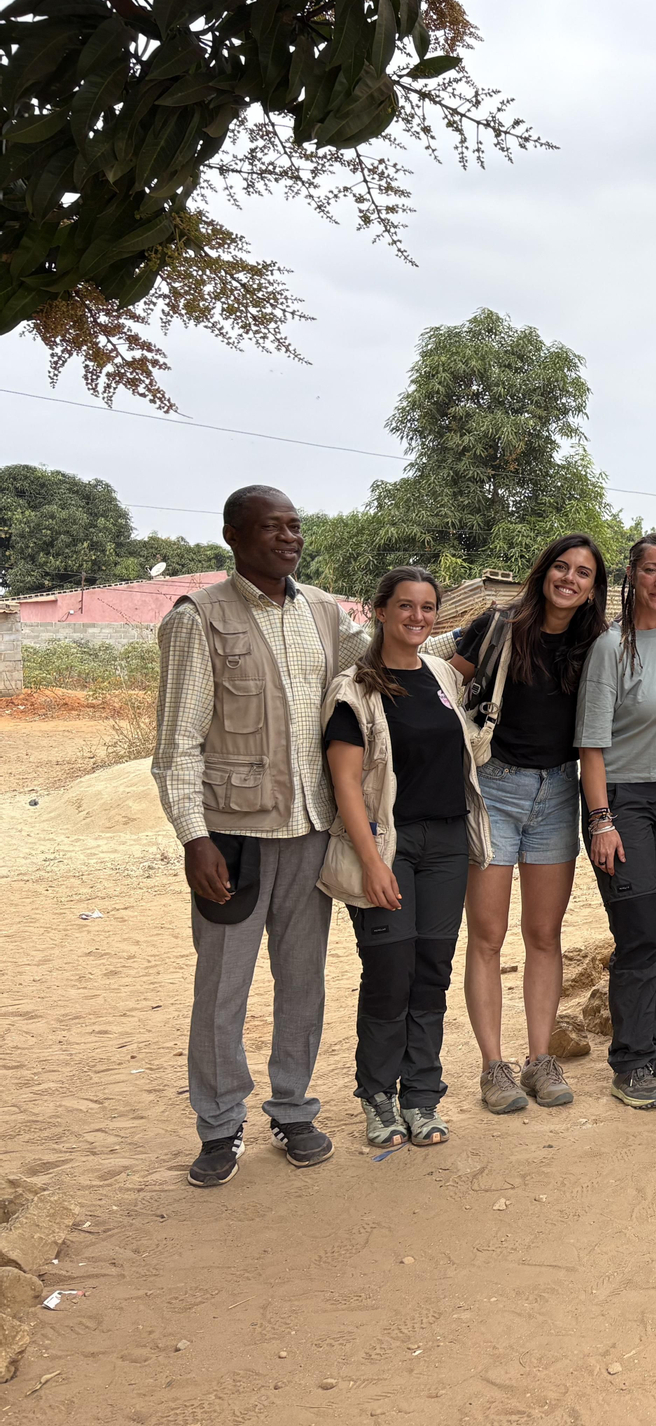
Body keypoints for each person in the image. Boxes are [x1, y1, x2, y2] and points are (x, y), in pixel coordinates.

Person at [154, 485, 370, 1186]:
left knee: (303, 982)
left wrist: (495, 627)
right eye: (271, 526)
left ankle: (294, 1108)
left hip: (310, 830)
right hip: (234, 838)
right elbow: (179, 743)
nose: (288, 537)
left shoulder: (322, 612)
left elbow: (390, 654)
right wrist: (194, 837)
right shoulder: (199, 618)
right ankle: (219, 1126)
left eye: (295, 526)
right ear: (233, 535)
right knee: (222, 989)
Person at [320, 568, 490, 1149]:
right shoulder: (355, 689)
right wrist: (371, 863)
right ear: (380, 612)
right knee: (389, 975)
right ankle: (376, 1097)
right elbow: (345, 783)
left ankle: (421, 1097)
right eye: (405, 607)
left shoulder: (443, 675)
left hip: (445, 845)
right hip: (387, 845)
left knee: (431, 974)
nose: (417, 617)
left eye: (426, 608)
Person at [448, 535, 608, 1116]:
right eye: (562, 567)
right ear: (544, 571)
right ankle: (494, 1067)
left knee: (544, 935)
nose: (570, 578)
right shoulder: (498, 625)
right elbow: (444, 680)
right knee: (487, 937)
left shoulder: (595, 644)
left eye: (583, 572)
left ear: (594, 586)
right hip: (494, 787)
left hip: (559, 792)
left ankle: (540, 1060)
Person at [578, 534, 656, 1110]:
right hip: (625, 802)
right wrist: (601, 820)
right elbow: (591, 745)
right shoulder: (610, 647)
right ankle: (628, 1061)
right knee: (637, 933)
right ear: (633, 575)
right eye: (651, 571)